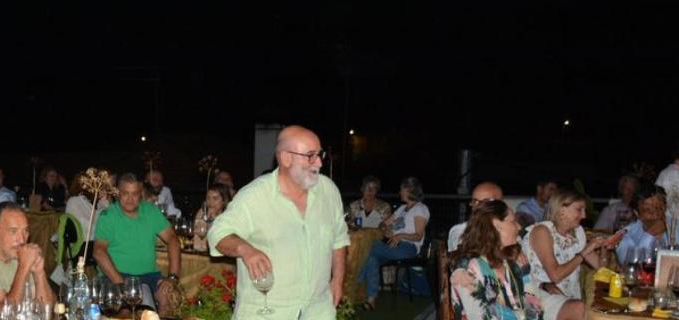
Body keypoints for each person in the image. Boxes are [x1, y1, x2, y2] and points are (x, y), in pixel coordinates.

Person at [209, 126, 350, 318]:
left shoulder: (328, 190)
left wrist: (338, 280)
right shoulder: (255, 196)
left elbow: (339, 238)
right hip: (267, 310)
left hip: (317, 308)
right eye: (310, 155)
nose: (318, 162)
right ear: (286, 158)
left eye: (320, 154)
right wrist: (245, 249)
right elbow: (217, 233)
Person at [94, 173, 181, 306]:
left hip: (149, 276)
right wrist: (122, 285)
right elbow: (99, 252)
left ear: (141, 193)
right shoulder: (108, 216)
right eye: (125, 193)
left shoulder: (150, 211)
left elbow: (172, 239)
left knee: (169, 297)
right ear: (118, 193)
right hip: (116, 276)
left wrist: (172, 277)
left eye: (134, 194)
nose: (130, 199)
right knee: (125, 310)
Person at [521, 189, 604, 320]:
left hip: (568, 297)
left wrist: (605, 246)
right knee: (579, 308)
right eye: (579, 209)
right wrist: (583, 254)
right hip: (538, 295)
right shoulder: (542, 231)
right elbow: (556, 275)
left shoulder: (577, 232)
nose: (584, 216)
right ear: (561, 211)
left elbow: (602, 268)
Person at [0, 202, 56, 318]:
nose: (22, 240)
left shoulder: (19, 255)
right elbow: (3, 315)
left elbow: (46, 310)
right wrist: (24, 267)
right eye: (13, 231)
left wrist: (39, 273)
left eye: (25, 231)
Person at [356, 177, 430, 310]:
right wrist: (386, 229)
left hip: (409, 247)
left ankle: (357, 282)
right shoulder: (402, 209)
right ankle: (371, 300)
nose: (399, 192)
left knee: (370, 245)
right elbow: (383, 224)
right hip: (392, 246)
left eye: (401, 189)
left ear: (409, 190)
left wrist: (400, 235)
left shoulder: (420, 209)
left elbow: (418, 236)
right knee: (372, 258)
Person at [450, 200, 526, 320]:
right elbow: (478, 316)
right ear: (496, 226)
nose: (519, 226)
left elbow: (531, 299)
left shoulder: (511, 259)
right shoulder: (468, 272)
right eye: (513, 221)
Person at [616, 185, 679, 264]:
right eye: (648, 210)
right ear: (637, 213)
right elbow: (627, 263)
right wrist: (650, 234)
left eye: (659, 208)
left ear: (665, 207)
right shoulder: (629, 233)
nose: (656, 214)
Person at [448, 182, 505, 252]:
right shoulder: (460, 231)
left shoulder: (509, 228)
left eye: (477, 202)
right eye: (473, 201)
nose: (473, 206)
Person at [192, 183, 232, 251]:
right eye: (208, 198)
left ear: (224, 201)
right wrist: (204, 220)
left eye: (215, 198)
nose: (210, 202)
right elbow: (197, 235)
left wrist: (215, 220)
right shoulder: (202, 212)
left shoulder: (229, 216)